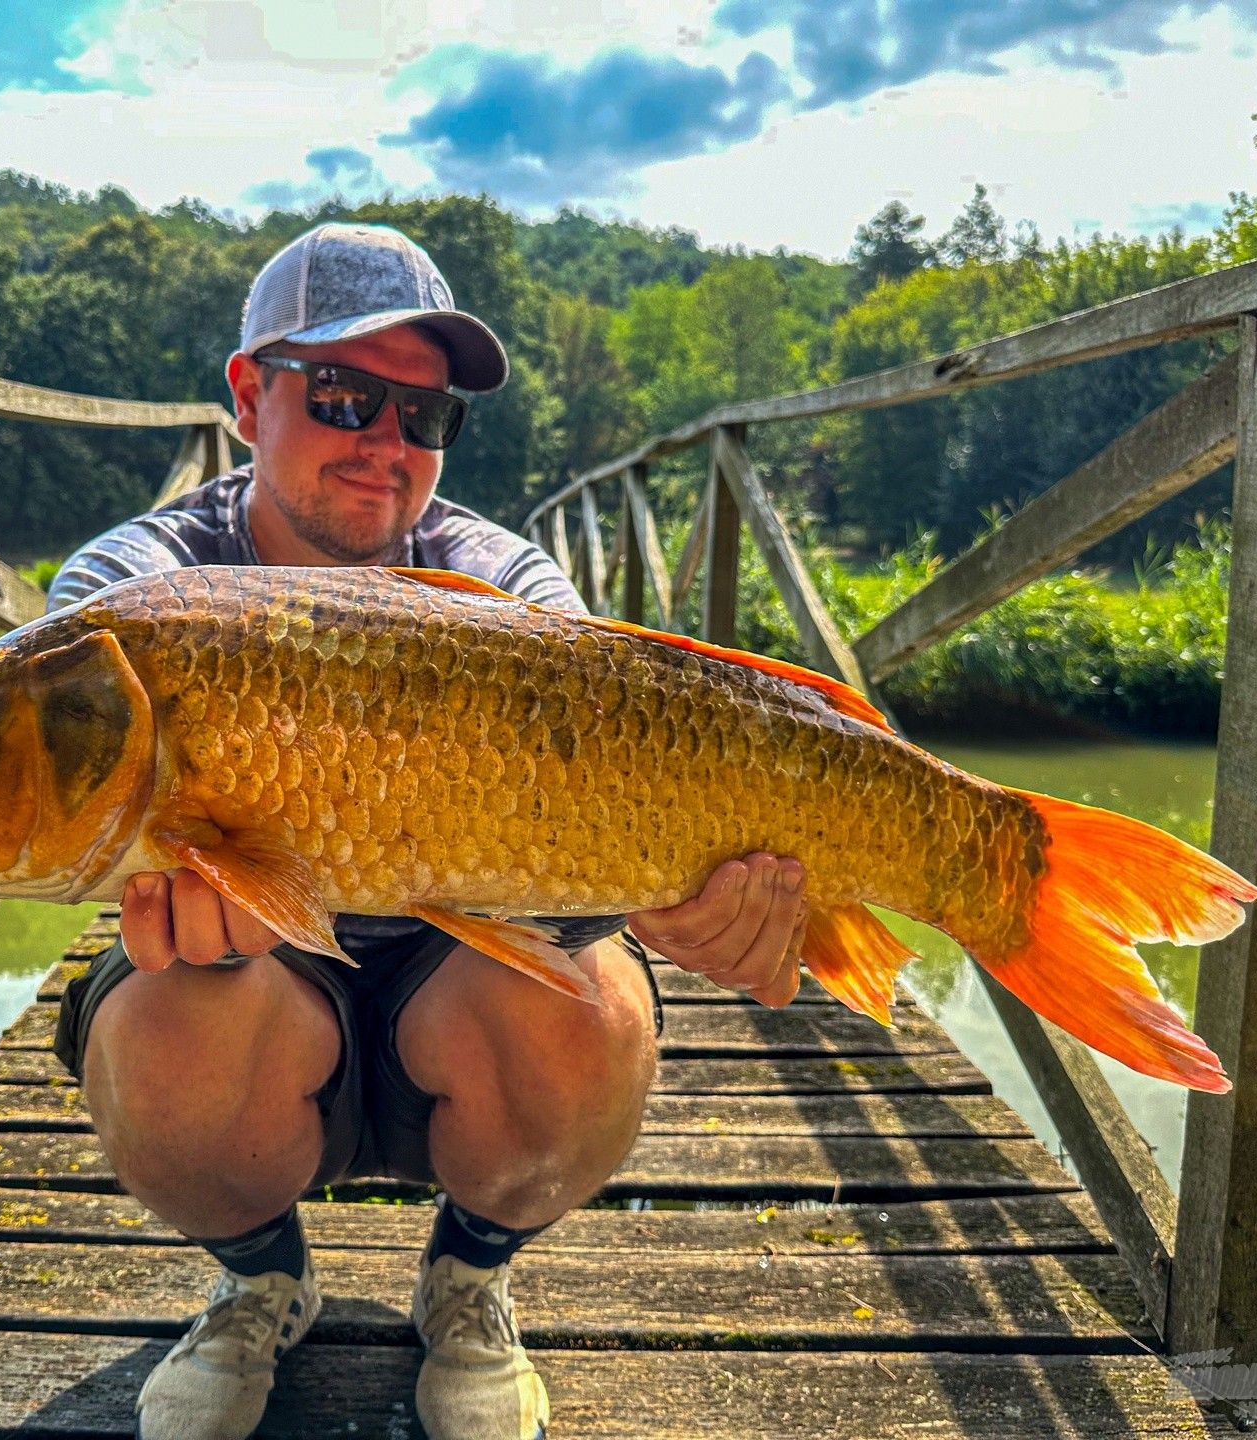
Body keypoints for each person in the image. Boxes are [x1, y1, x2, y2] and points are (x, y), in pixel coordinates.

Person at [48, 223, 808, 1440]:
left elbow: (629, 780)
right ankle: (258, 1281)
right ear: (249, 397)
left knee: (591, 1000)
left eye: (426, 417)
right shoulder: (135, 594)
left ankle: (471, 1276)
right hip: (249, 981)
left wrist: (705, 906)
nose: (386, 446)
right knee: (169, 1007)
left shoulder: (508, 582)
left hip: (460, 970)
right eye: (345, 396)